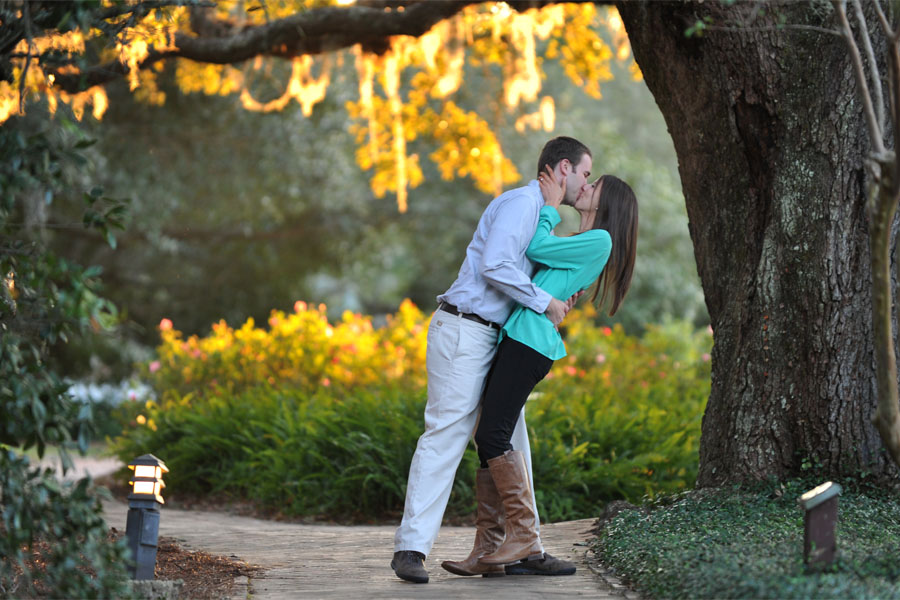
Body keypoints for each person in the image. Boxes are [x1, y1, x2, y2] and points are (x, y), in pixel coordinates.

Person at [391, 137, 594, 584]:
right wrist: (544, 301)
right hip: (465, 329)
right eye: (585, 173)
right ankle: (411, 548)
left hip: (495, 337)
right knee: (447, 432)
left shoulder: (540, 215)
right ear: (563, 168)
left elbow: (529, 267)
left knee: (510, 437)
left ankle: (522, 547)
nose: (587, 183)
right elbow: (495, 265)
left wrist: (558, 296)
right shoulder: (520, 204)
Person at [443, 168, 638, 574]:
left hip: (530, 343)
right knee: (491, 436)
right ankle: (489, 547)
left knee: (492, 435)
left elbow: (534, 248)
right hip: (518, 337)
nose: (584, 187)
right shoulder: (584, 241)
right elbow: (543, 268)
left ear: (606, 203)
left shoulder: (599, 239)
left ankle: (524, 537)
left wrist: (548, 208)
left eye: (593, 185)